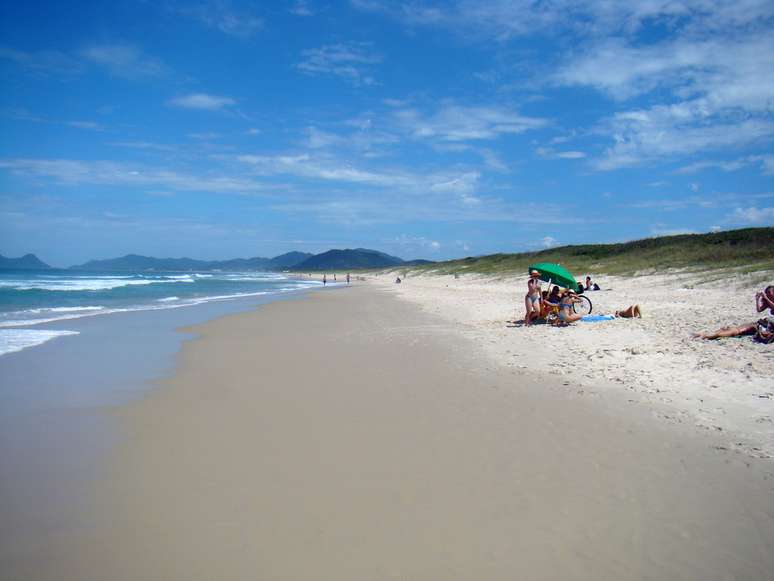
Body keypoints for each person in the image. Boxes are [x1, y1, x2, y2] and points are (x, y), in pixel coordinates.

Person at [693, 286, 774, 340]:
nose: (770, 295)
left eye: (770, 293)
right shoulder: (768, 301)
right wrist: (757, 299)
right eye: (768, 293)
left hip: (771, 325)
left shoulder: (769, 300)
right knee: (740, 327)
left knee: (741, 329)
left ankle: (709, 335)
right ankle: (710, 333)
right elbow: (759, 310)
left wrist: (766, 298)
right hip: (768, 323)